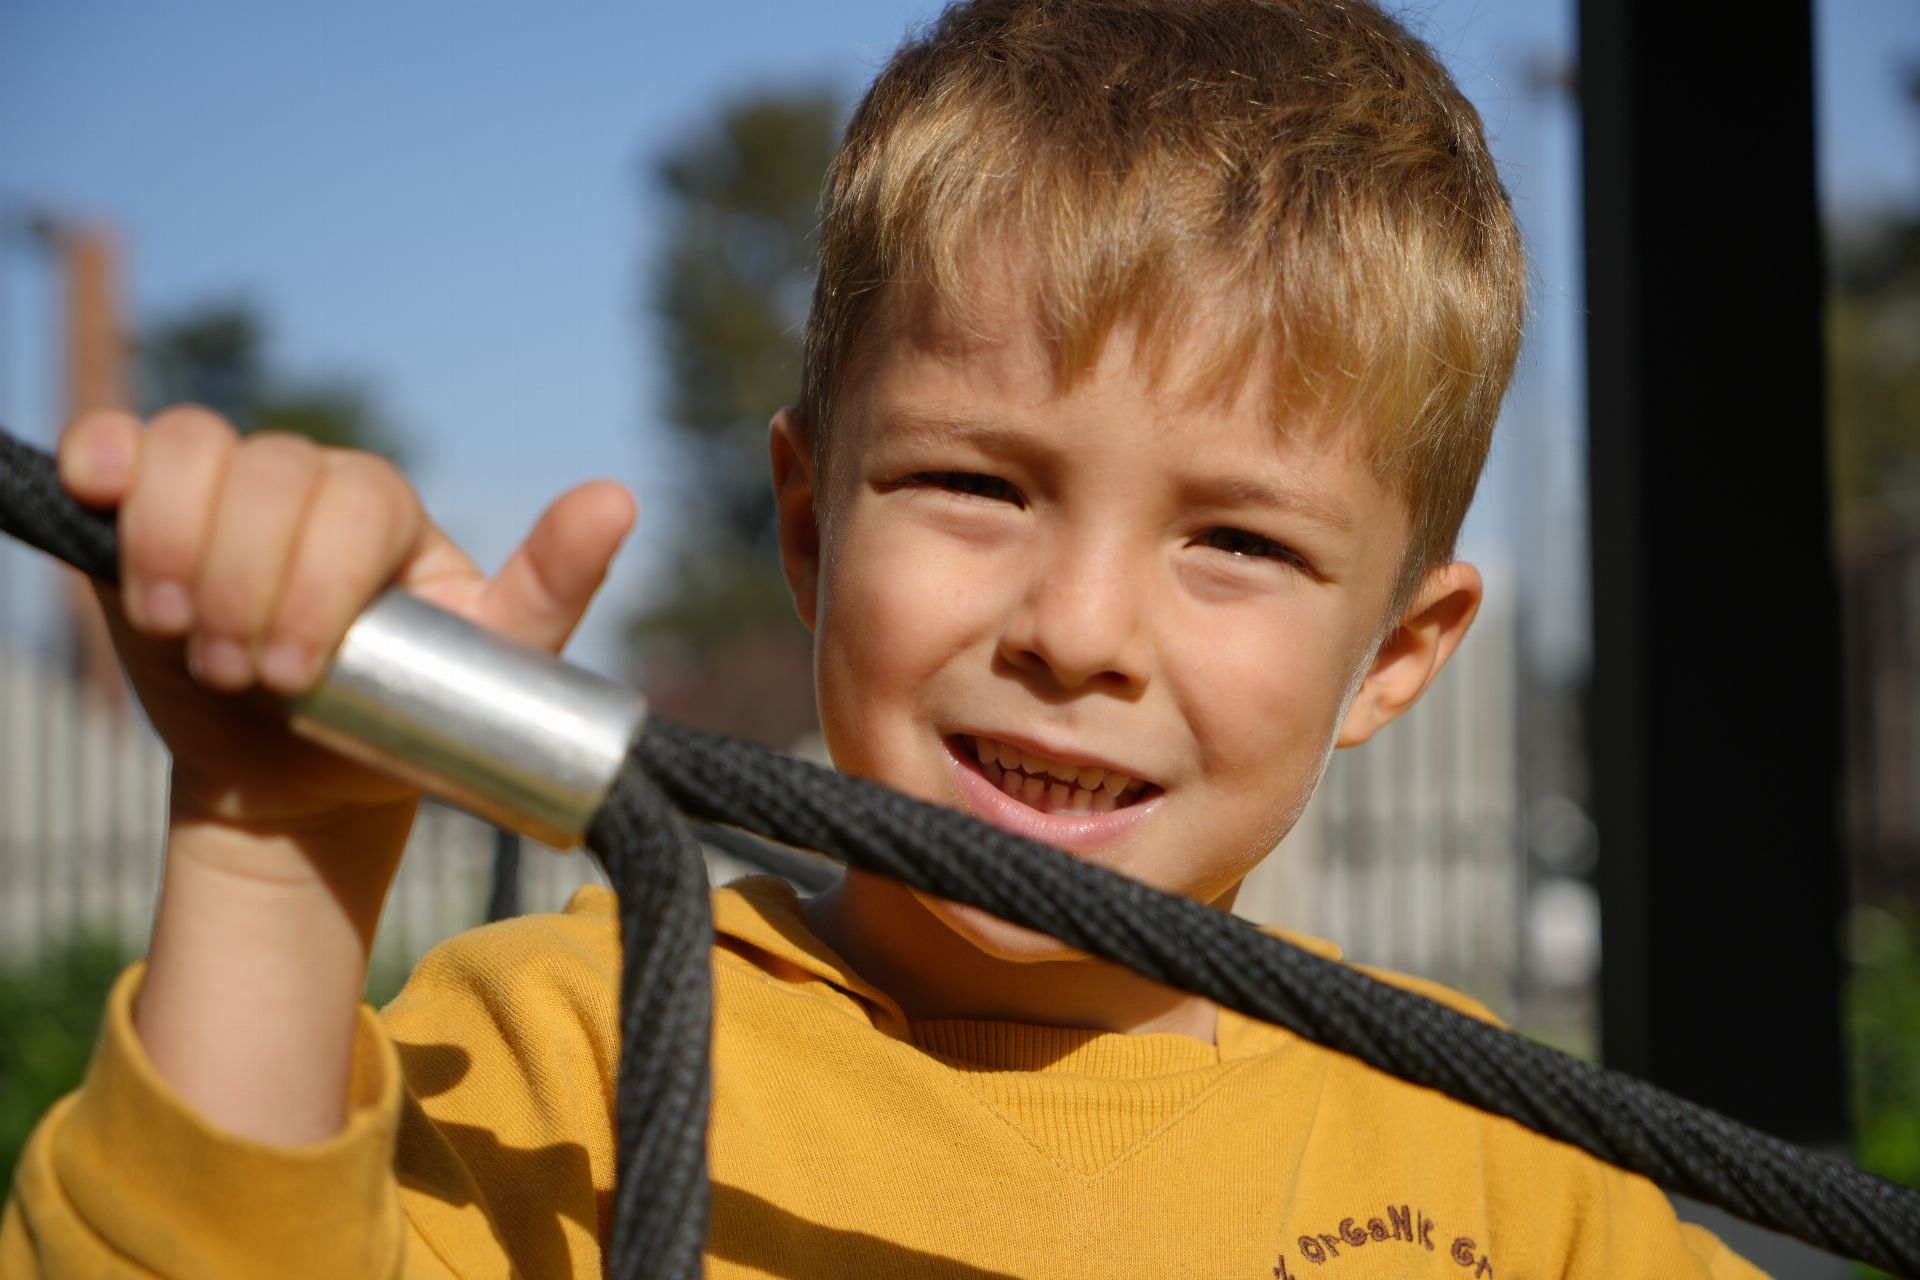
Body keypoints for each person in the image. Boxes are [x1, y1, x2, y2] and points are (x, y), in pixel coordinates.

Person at [2, 1, 1766, 1276]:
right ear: (808, 530)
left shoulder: (1517, 1168)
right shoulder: (569, 1067)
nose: (1076, 632)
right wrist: (277, 854)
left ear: (1397, 653)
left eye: (1234, 537)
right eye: (977, 487)